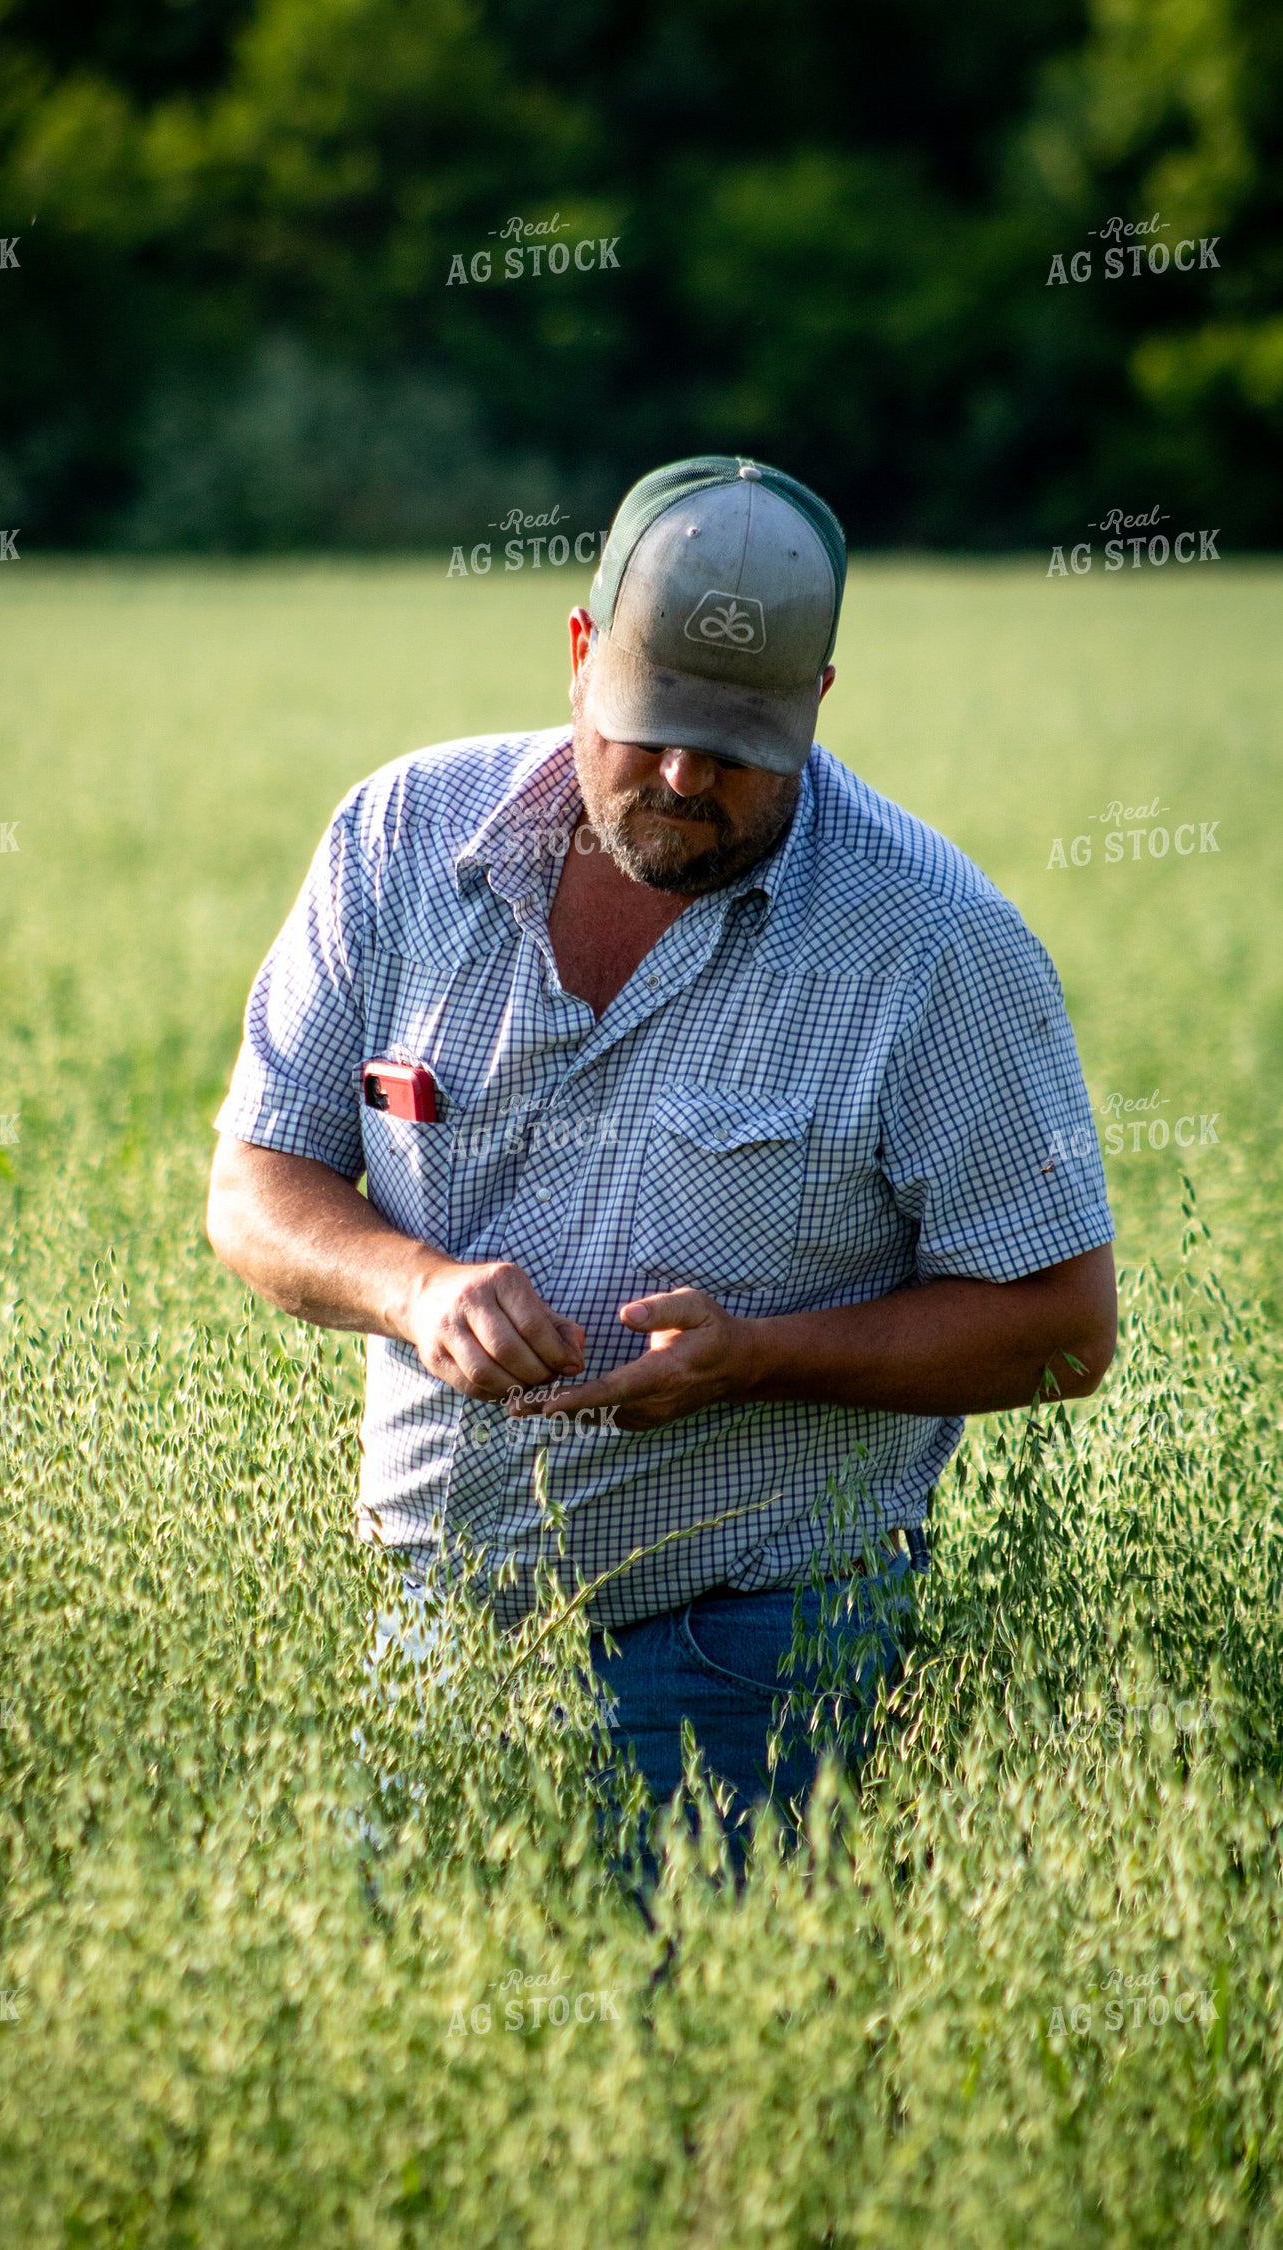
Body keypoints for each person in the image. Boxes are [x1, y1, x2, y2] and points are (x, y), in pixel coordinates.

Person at [206, 453, 1116, 1856]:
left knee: (689, 2054)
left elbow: (1063, 1329)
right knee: (411, 2045)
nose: (686, 779)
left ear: (817, 701)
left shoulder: (936, 946)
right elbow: (259, 1186)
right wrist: (417, 1289)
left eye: (740, 746)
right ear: (579, 655)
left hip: (754, 1645)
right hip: (437, 1622)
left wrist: (764, 1355)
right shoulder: (395, 840)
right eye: (651, 726)